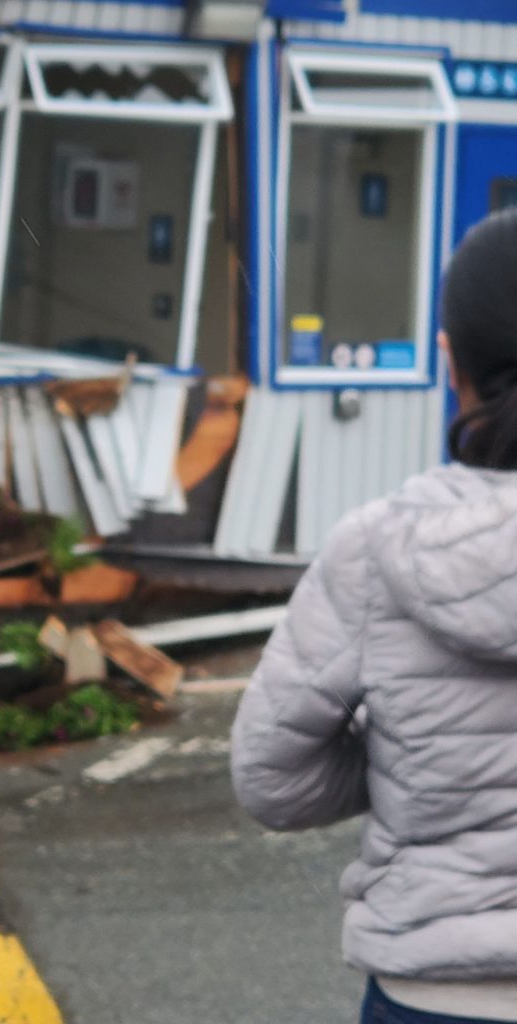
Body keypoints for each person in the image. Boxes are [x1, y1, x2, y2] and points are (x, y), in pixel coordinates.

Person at [231, 207, 517, 1024]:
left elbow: (270, 778)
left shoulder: (375, 549)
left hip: (431, 990)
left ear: (449, 361)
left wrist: (404, 756)